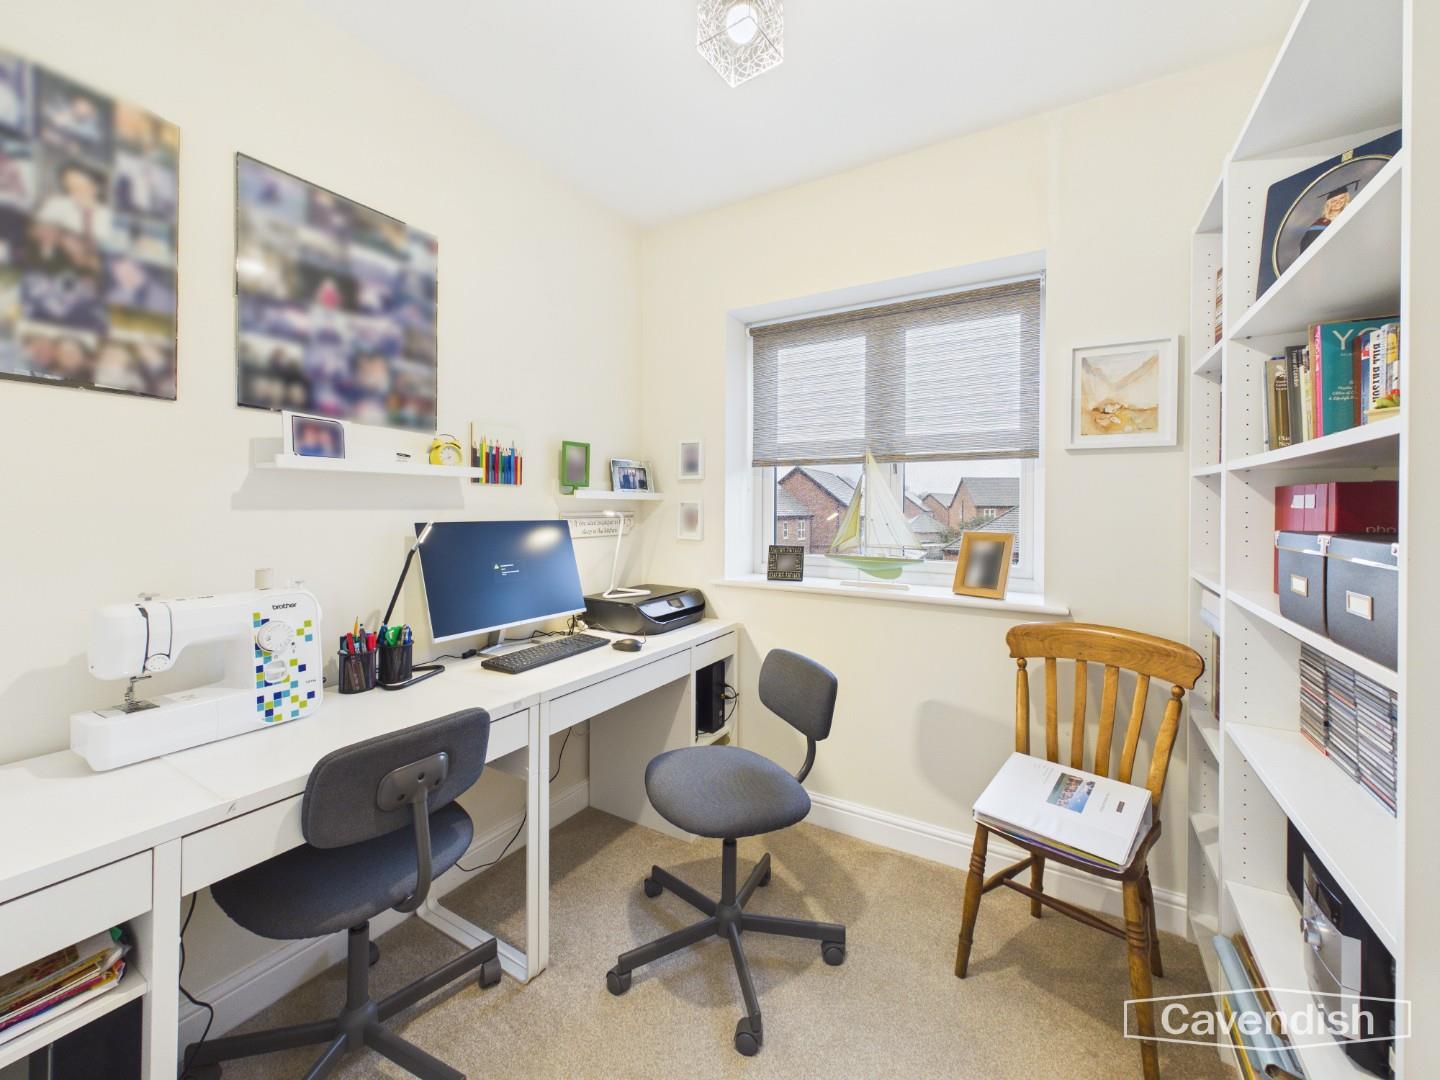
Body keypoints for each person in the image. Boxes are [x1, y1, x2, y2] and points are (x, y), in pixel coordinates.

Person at [35, 161, 116, 250]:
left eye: (82, 187)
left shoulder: (108, 216)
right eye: (71, 187)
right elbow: (37, 233)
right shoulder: (55, 205)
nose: (77, 193)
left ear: (96, 187)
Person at [1299, 182, 1356, 254]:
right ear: (1328, 204)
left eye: (1341, 198)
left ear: (1346, 198)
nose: (1338, 202)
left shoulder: (1350, 214)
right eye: (1333, 201)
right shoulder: (1320, 224)